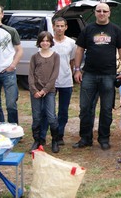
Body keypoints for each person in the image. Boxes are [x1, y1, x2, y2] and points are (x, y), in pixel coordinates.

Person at [73, 2, 121, 150]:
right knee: (85, 108)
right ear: (95, 12)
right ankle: (85, 138)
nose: (102, 13)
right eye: (99, 11)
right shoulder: (87, 29)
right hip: (89, 75)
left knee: (106, 110)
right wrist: (77, 69)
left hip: (108, 76)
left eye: (105, 11)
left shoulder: (116, 30)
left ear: (109, 13)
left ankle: (104, 139)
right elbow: (79, 50)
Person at [40, 17, 77, 146]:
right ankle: (42, 136)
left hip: (66, 81)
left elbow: (72, 61)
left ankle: (58, 135)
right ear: (53, 27)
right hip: (49, 83)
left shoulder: (72, 43)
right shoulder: (47, 42)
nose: (60, 28)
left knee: (63, 111)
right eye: (57, 26)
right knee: (46, 110)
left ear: (66, 27)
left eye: (62, 26)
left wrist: (71, 73)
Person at [28, 31, 60, 153]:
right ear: (39, 42)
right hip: (35, 91)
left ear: (51, 42)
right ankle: (37, 140)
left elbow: (54, 75)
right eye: (43, 40)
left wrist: (45, 90)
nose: (45, 43)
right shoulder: (34, 57)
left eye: (47, 40)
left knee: (51, 116)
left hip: (49, 91)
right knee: (36, 117)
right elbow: (30, 75)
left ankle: (55, 141)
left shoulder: (55, 56)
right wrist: (35, 90)